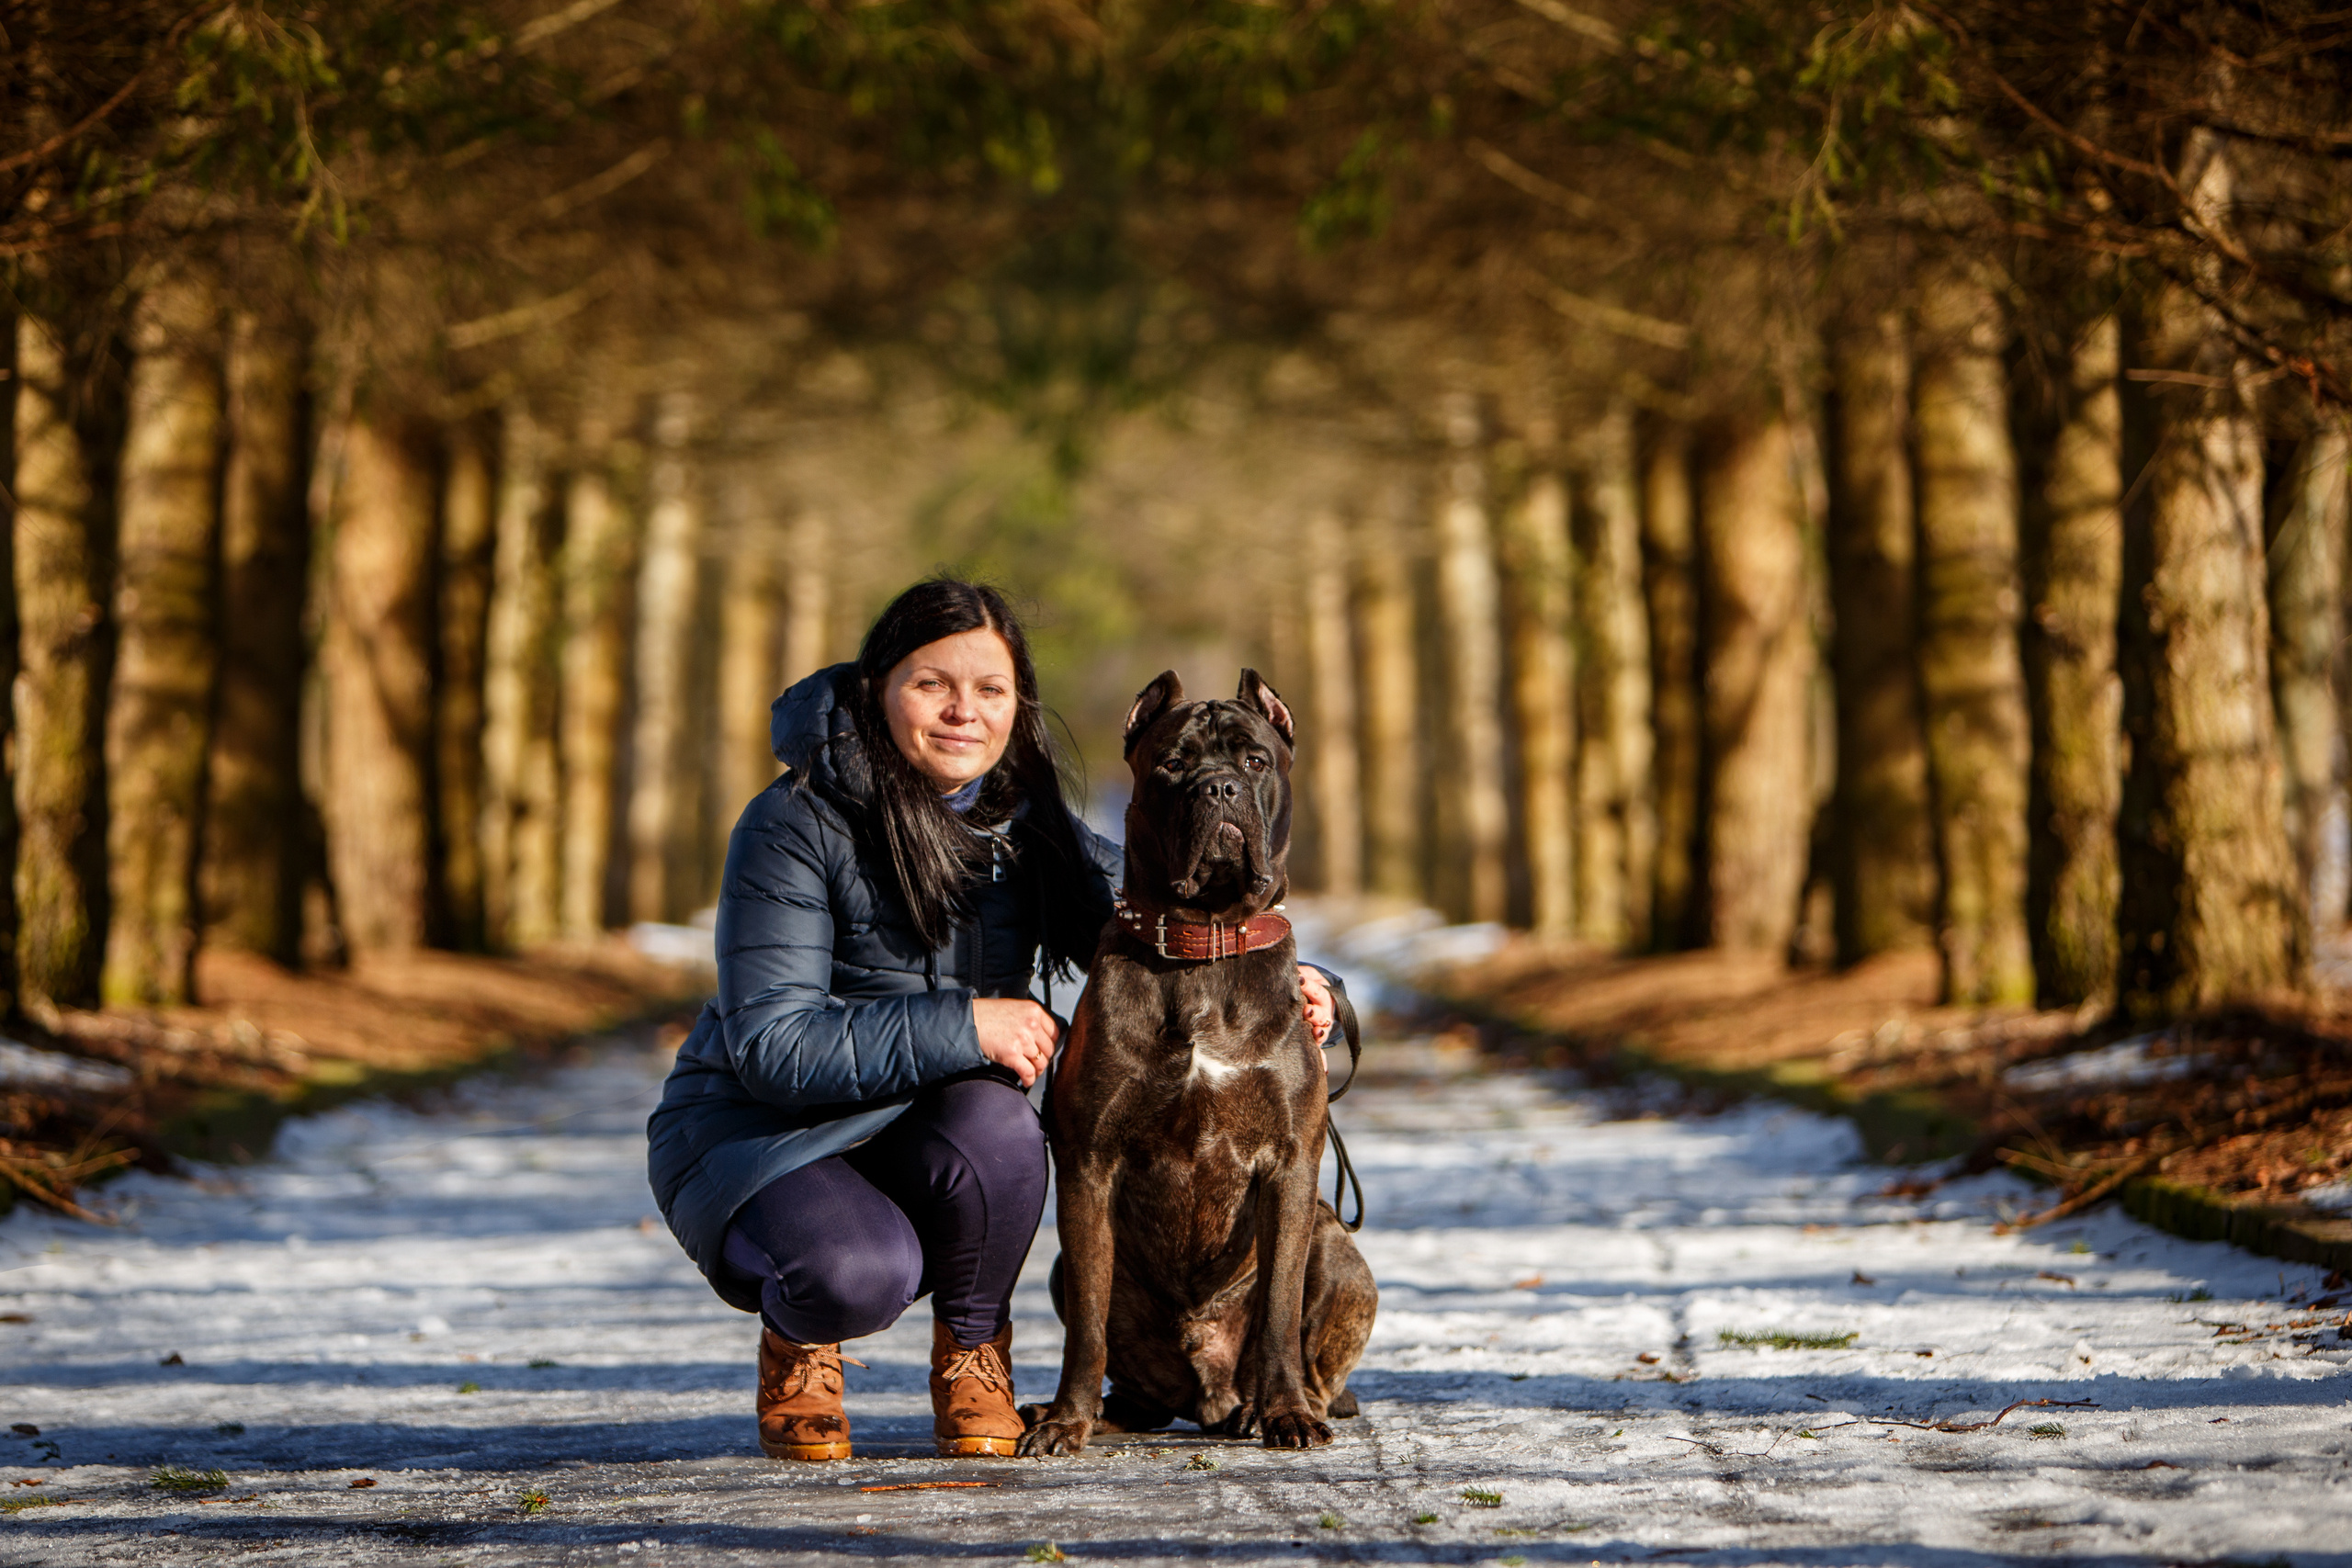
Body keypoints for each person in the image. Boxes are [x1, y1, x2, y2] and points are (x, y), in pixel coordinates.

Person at [646, 579, 1342, 1461]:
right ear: (876, 688)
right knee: (859, 1273)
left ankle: (974, 1352)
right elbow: (773, 1047)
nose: (962, 711)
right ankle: (800, 1343)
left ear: (1020, 706)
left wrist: (1298, 978)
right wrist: (968, 1026)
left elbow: (1152, 920)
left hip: (922, 1124)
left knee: (1005, 1122)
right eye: (932, 683)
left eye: (990, 690)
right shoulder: (790, 823)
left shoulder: (1026, 823)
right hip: (767, 1132)